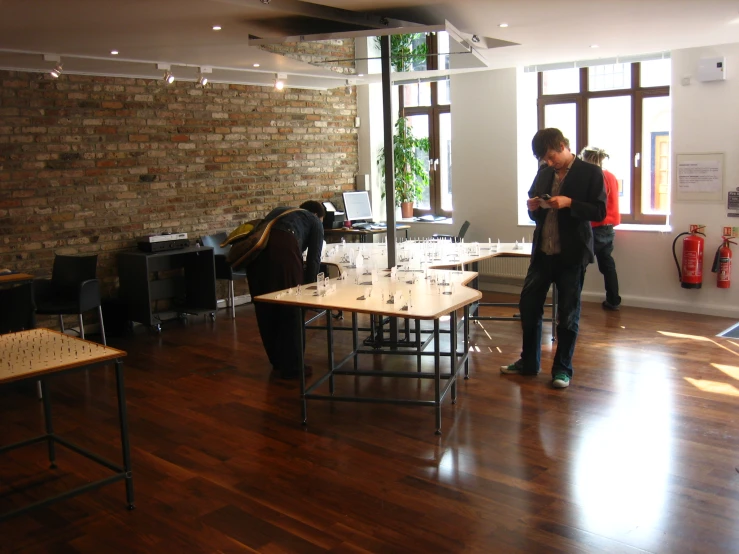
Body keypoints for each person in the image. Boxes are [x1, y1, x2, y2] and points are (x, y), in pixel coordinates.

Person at [501, 128, 606, 388]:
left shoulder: (590, 172)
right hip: (543, 253)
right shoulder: (544, 173)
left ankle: (562, 369)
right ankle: (529, 362)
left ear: (562, 145)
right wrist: (532, 208)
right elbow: (536, 213)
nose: (548, 163)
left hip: (571, 255)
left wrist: (570, 202)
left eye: (550, 156)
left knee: (568, 313)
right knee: (528, 305)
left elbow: (600, 211)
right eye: (544, 160)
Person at [246, 200, 325, 379]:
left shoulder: (280, 211)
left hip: (256, 255)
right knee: (292, 309)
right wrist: (309, 292)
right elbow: (314, 260)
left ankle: (277, 361)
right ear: (317, 216)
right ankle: (295, 367)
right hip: (284, 252)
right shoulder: (314, 222)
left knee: (266, 307)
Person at [580, 147, 621, 310]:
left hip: (594, 227)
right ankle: (613, 300)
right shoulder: (611, 176)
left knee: (579, 265)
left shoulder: (593, 177)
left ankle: (573, 301)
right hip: (609, 226)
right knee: (607, 264)